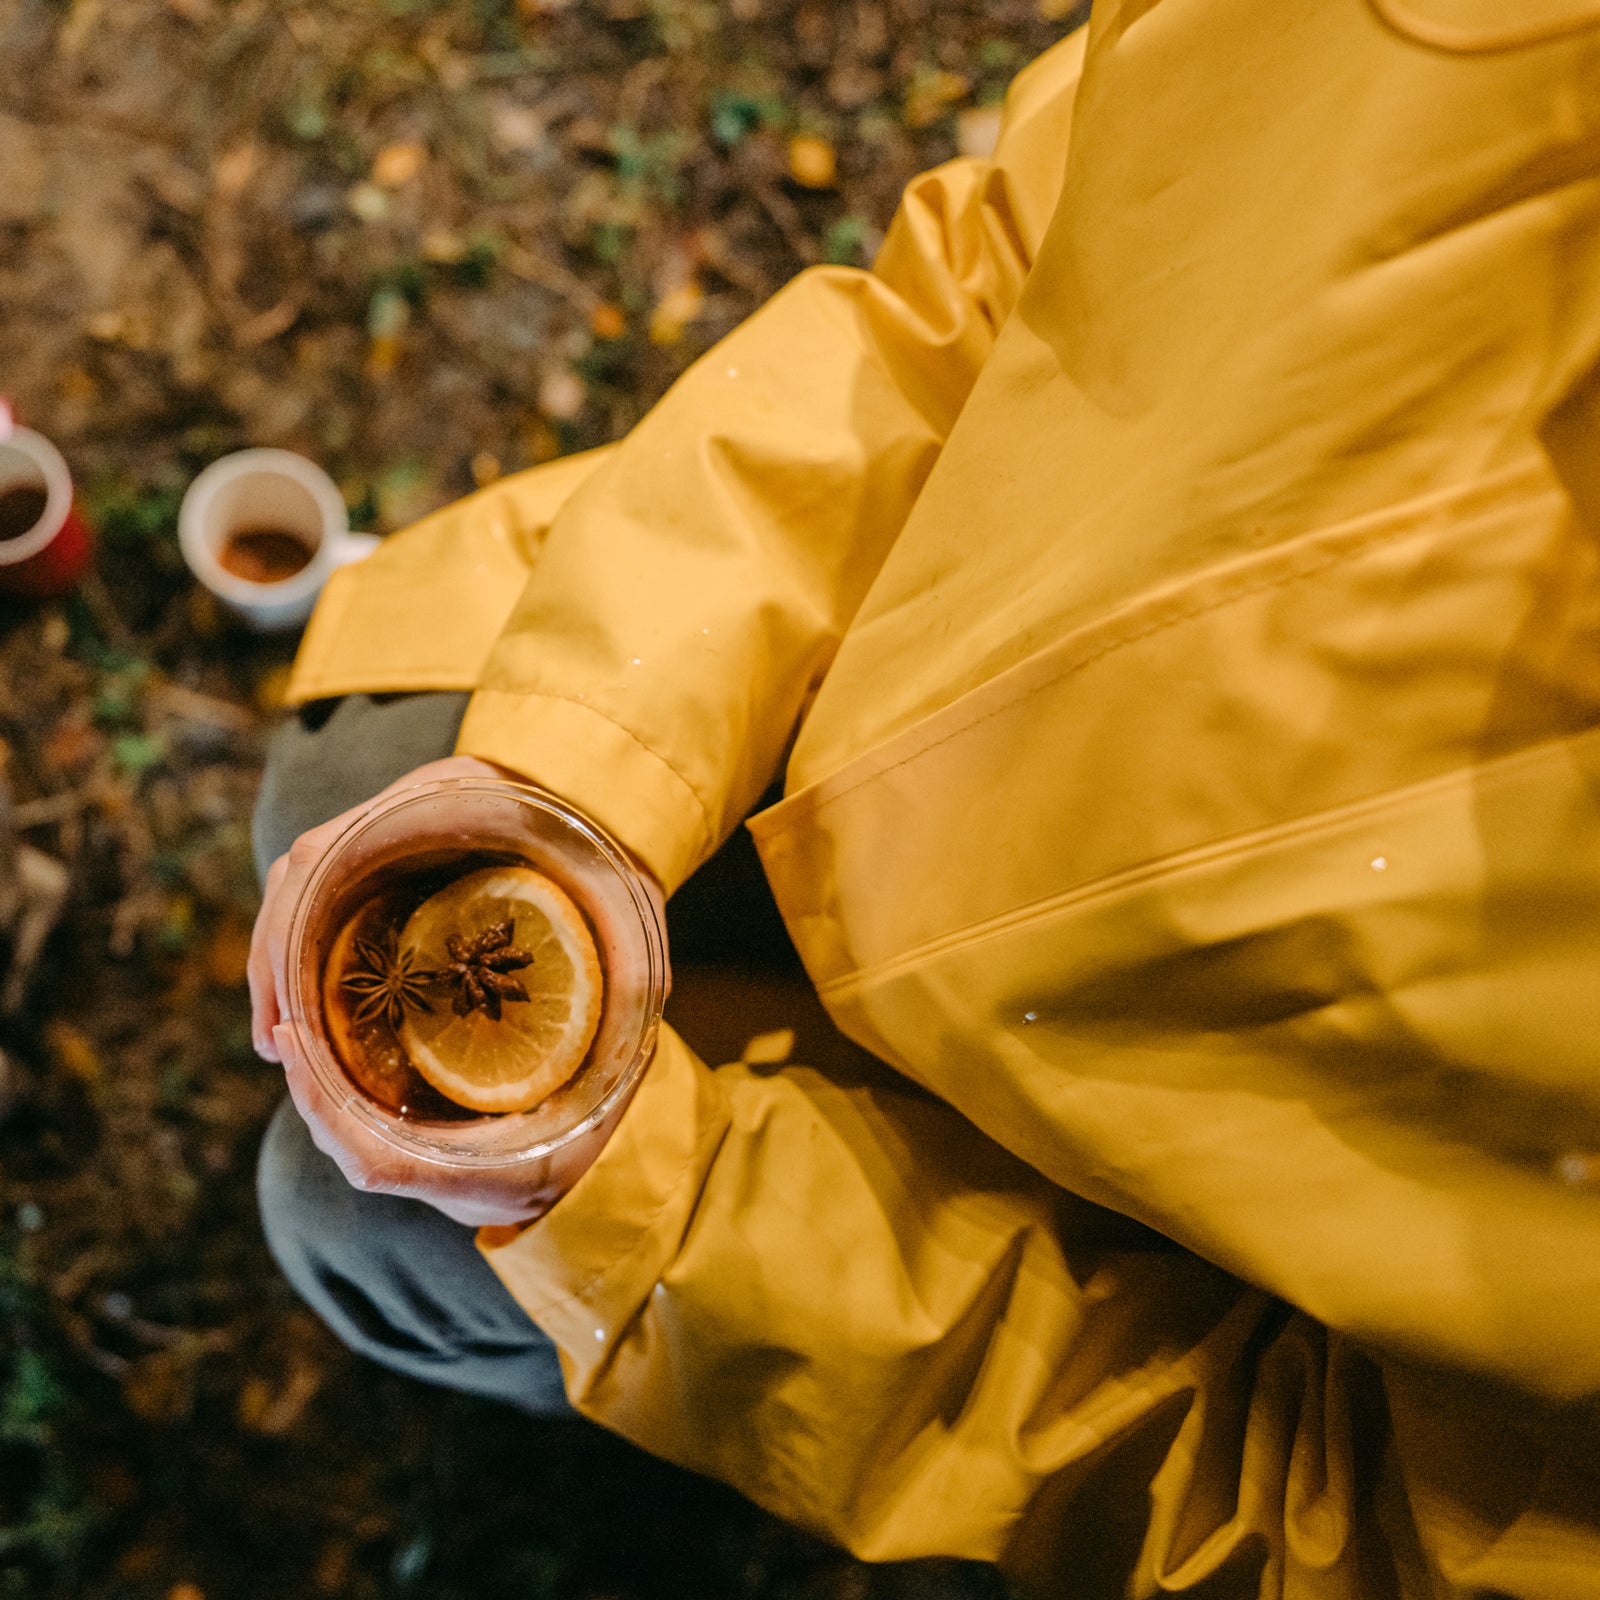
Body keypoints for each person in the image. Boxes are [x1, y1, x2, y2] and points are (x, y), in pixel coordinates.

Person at [250, 3, 1600, 1593]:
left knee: (347, 1221)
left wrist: (657, 1229)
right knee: (342, 789)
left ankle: (637, 1427)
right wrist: (591, 750)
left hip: (1072, 1234)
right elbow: (1009, 267)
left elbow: (1308, 1518)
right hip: (831, 695)